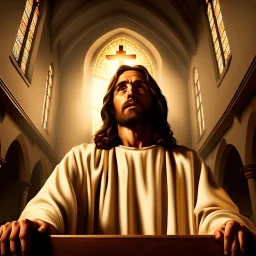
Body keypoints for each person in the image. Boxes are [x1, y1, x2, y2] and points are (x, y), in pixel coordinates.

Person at [0, 65, 255, 255]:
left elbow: (215, 212)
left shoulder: (187, 163)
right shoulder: (82, 159)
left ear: (154, 102)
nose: (130, 92)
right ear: (112, 106)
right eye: (122, 88)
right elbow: (51, 205)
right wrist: (35, 222)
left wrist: (225, 224)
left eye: (139, 86)